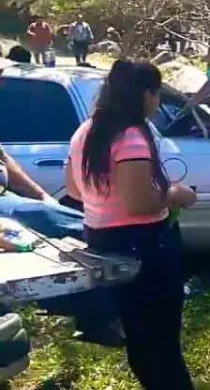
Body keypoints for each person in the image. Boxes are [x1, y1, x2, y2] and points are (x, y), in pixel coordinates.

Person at [68, 59, 197, 389]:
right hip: (144, 245)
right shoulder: (131, 138)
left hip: (102, 239)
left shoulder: (86, 131)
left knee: (141, 338)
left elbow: (72, 188)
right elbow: (139, 202)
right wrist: (174, 194)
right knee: (162, 344)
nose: (157, 104)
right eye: (156, 95)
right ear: (145, 94)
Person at [1, 144, 121, 344]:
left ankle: (99, 319)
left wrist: (43, 198)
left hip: (7, 197)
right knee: (76, 226)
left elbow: (5, 162)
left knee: (77, 246)